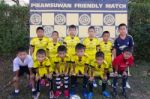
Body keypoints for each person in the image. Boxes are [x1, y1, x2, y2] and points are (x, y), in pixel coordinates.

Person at [114, 23, 134, 88]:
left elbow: (131, 47)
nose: (122, 30)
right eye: (121, 29)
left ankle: (125, 82)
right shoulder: (117, 39)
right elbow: (115, 49)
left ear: (126, 29)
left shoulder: (129, 37)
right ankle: (115, 81)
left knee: (125, 69)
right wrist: (115, 58)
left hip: (127, 57)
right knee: (117, 69)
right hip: (119, 57)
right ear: (118, 30)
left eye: (124, 29)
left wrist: (130, 55)